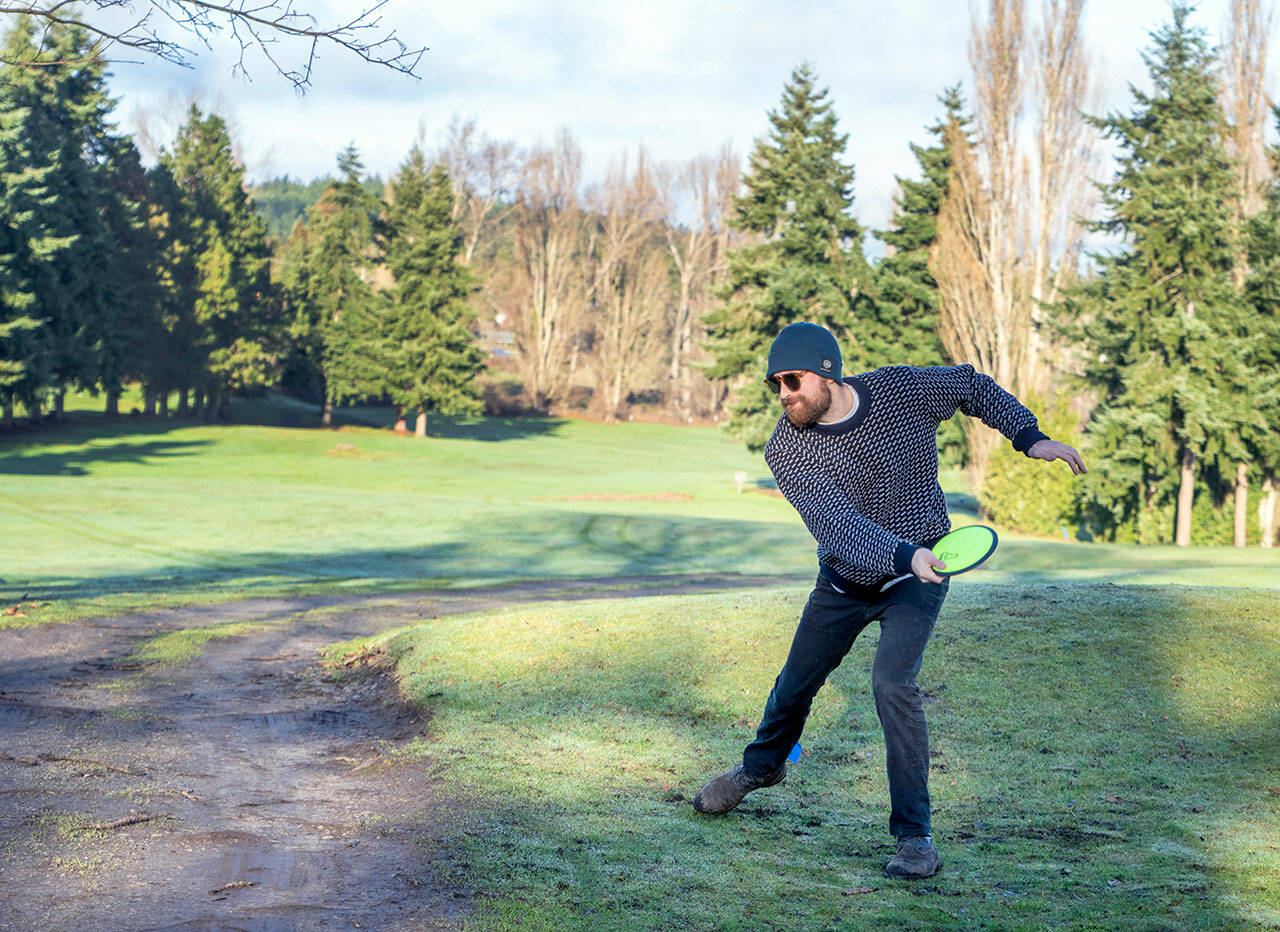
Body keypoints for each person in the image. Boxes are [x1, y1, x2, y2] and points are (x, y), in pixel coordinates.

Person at [691, 321, 1086, 880]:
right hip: (847, 579)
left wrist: (1027, 436)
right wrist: (903, 554)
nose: (784, 393)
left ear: (826, 372)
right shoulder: (786, 447)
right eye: (776, 383)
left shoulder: (900, 391)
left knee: (892, 685)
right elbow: (836, 526)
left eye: (793, 379)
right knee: (795, 683)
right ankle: (762, 768)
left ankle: (914, 837)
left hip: (918, 576)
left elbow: (971, 386)